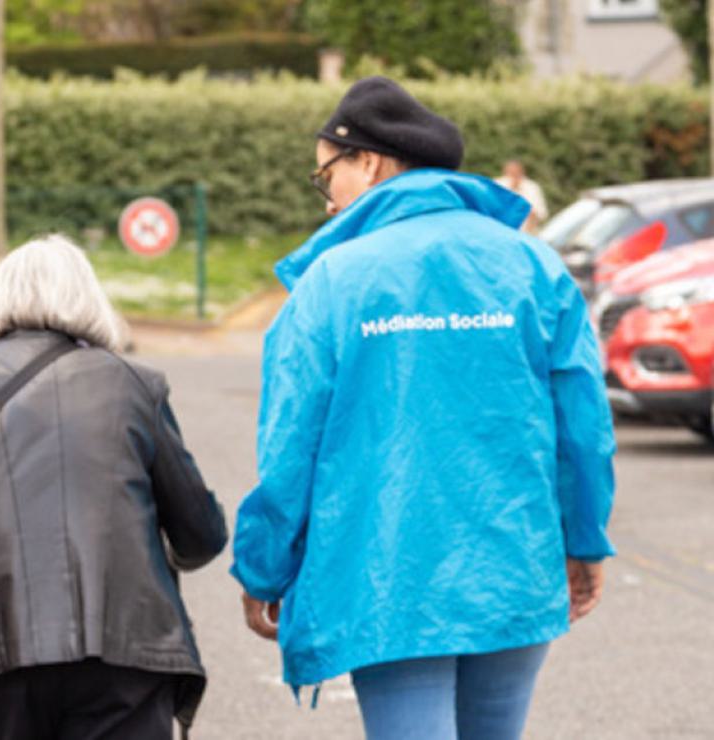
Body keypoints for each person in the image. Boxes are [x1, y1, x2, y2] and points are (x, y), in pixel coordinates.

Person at [230, 76, 615, 739]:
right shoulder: (531, 265)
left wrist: (266, 566)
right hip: (513, 563)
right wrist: (582, 539)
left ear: (369, 162)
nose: (327, 203)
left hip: (388, 573)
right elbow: (582, 425)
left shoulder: (335, 279)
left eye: (326, 178)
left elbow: (290, 443)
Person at [0, 234, 228, 740]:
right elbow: (200, 535)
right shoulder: (137, 385)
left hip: (5, 648)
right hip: (127, 645)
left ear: (0, 297)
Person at [495, 159, 549, 233]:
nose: (513, 175)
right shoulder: (497, 184)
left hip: (527, 232)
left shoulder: (532, 187)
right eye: (511, 172)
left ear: (522, 172)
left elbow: (540, 212)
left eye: (516, 172)